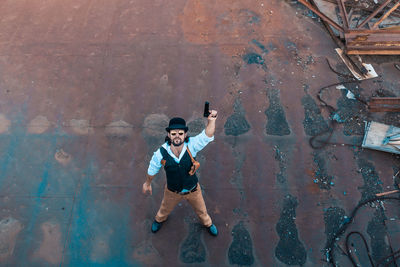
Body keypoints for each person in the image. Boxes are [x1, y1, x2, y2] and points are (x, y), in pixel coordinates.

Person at [142, 111, 218, 236]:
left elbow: (207, 135)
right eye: (174, 133)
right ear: (169, 135)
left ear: (185, 134)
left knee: (202, 211)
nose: (177, 136)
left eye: (180, 133)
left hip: (193, 190)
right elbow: (152, 169)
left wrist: (212, 120)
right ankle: (158, 220)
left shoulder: (192, 145)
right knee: (164, 209)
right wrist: (147, 183)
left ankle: (208, 224)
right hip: (172, 191)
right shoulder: (161, 153)